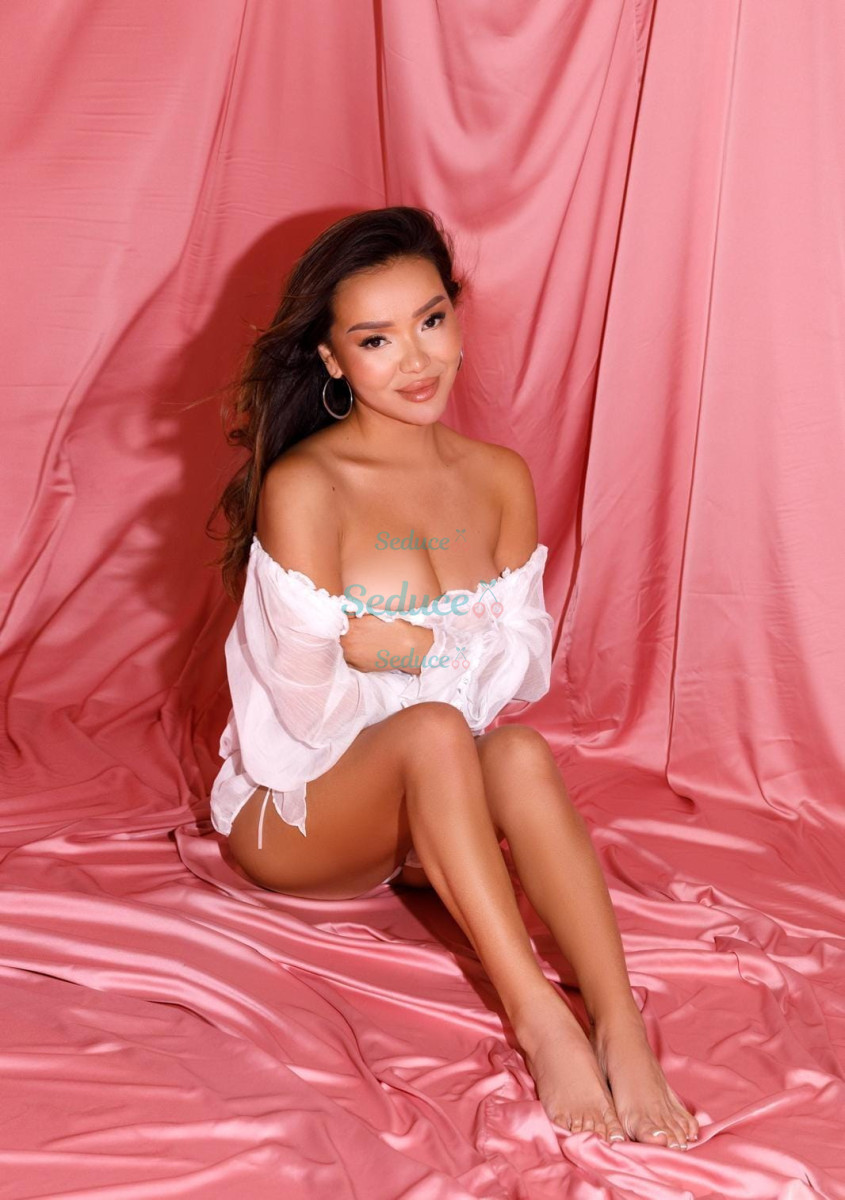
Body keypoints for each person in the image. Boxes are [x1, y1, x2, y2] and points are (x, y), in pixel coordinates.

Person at [206, 206, 699, 1150]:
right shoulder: (307, 487)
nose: (416, 359)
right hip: (297, 811)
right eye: (375, 339)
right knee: (438, 731)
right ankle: (539, 1019)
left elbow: (521, 670)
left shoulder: (500, 478)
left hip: (429, 815)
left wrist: (395, 644)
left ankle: (620, 1025)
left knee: (515, 750)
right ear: (332, 360)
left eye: (430, 320)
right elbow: (304, 703)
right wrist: (428, 658)